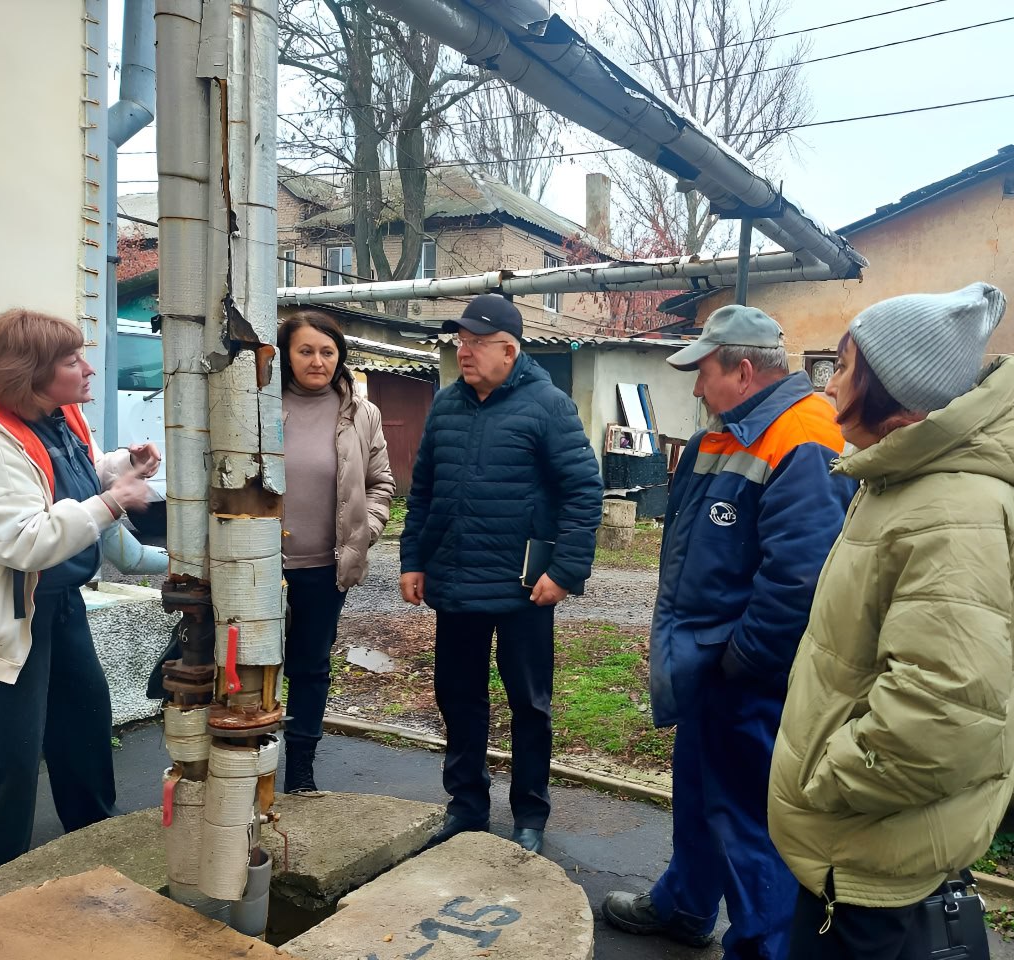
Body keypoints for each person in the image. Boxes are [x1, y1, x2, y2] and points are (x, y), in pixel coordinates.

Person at [768, 283, 1014, 959]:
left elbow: (943, 710)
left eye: (844, 367)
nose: (831, 382)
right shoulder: (906, 481)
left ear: (893, 390)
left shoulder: (951, 509)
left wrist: (830, 777)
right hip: (863, 849)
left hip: (872, 856)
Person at [601, 305, 858, 959]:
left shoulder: (804, 433)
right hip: (708, 661)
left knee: (749, 818)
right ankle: (687, 903)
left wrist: (744, 660)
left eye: (704, 372)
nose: (694, 387)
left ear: (743, 370)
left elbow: (801, 577)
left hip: (749, 675)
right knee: (697, 790)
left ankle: (764, 946)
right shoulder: (727, 430)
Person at [0, 308, 160, 887]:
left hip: (62, 601)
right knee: (12, 761)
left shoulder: (54, 412)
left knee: (85, 726)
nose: (88, 368)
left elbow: (63, 476)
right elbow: (24, 539)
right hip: (9, 614)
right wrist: (113, 501)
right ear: (30, 374)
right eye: (72, 361)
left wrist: (120, 467)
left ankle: (96, 843)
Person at [399, 294, 602, 854]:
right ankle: (466, 807)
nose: (464, 352)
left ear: (509, 350)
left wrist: (564, 571)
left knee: (529, 705)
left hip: (524, 592)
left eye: (476, 343)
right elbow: (424, 493)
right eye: (460, 342)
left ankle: (530, 816)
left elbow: (584, 491)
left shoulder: (548, 406)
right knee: (458, 700)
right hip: (457, 584)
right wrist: (413, 558)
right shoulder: (446, 406)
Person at [277, 310, 394, 794]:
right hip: (259, 566)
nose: (318, 361)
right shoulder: (258, 403)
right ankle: (243, 768)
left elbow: (380, 482)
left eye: (328, 352)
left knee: (310, 666)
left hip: (325, 568)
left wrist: (365, 531)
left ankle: (300, 772)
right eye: (306, 350)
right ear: (286, 354)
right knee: (246, 666)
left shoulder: (361, 414)